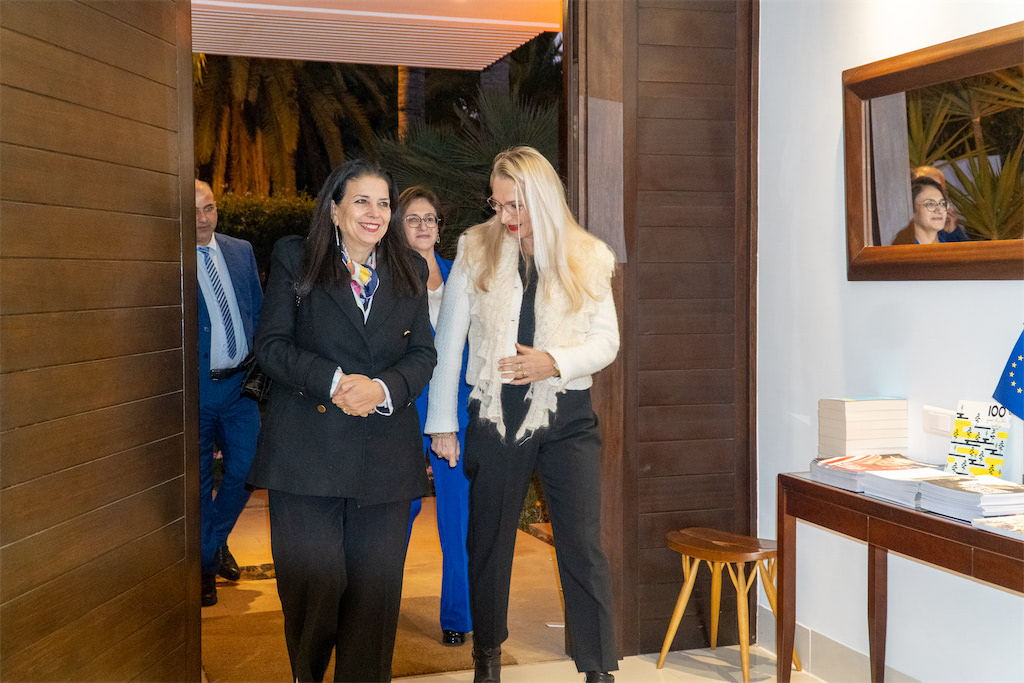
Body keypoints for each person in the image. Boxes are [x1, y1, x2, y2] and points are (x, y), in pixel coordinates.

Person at [425, 146, 619, 683]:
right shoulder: (476, 247)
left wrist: (553, 361)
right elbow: (449, 340)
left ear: (545, 197)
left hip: (568, 414)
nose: (507, 216)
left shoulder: (587, 254)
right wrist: (442, 423)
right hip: (494, 414)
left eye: (518, 205)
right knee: (488, 542)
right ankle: (487, 659)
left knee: (583, 545)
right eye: (499, 203)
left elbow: (607, 341)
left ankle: (599, 670)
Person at [246, 159, 436, 683]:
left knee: (375, 595)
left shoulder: (410, 268)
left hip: (384, 456)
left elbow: (423, 354)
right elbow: (271, 345)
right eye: (361, 201)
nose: (374, 213)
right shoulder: (297, 257)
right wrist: (333, 381)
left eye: (383, 203)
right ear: (334, 209)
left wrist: (382, 389)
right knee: (317, 584)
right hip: (307, 454)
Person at [399, 186, 473, 647]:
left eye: (431, 219)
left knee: (457, 514)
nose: (424, 226)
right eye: (413, 219)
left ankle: (457, 617)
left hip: (456, 407)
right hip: (406, 408)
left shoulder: (460, 274)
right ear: (398, 227)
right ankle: (376, 607)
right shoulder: (385, 276)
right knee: (399, 510)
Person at [195, 179, 263, 607]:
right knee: (199, 485)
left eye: (209, 208)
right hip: (195, 392)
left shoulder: (240, 251)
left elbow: (257, 309)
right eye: (193, 211)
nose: (203, 218)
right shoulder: (167, 258)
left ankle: (211, 545)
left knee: (250, 468)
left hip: (241, 387)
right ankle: (203, 569)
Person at [891, 175, 968, 244]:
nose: (939, 210)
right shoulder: (900, 251)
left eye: (942, 204)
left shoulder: (952, 250)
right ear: (911, 210)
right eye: (930, 204)